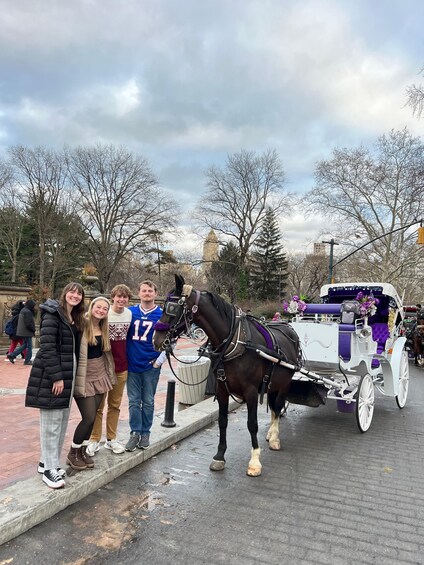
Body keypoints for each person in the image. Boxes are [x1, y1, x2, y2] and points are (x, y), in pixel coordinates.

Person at [25, 282, 85, 489]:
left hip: (67, 377)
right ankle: (50, 470)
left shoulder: (72, 317)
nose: (75, 295)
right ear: (64, 293)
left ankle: (46, 462)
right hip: (53, 378)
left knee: (60, 423)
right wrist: (57, 377)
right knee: (51, 425)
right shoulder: (52, 314)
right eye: (72, 291)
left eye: (79, 293)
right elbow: (48, 347)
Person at [67, 296, 116, 470]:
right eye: (98, 307)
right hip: (84, 375)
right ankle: (73, 452)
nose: (101, 310)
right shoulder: (81, 325)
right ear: (92, 306)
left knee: (94, 415)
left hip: (100, 374)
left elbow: (106, 352)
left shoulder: (104, 327)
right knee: (87, 417)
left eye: (105, 309)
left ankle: (82, 450)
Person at [86, 284, 132, 456]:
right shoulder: (104, 314)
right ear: (113, 297)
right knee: (98, 406)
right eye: (118, 296)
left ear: (128, 299)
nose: (121, 299)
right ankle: (94, 439)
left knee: (115, 405)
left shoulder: (129, 314)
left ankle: (111, 439)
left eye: (125, 297)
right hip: (103, 367)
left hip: (121, 367)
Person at [125, 280, 166, 452]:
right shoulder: (129, 312)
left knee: (148, 401)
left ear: (156, 293)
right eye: (144, 290)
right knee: (134, 401)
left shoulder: (162, 315)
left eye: (150, 290)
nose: (147, 293)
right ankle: (135, 432)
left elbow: (172, 340)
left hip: (150, 364)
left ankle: (145, 432)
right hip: (132, 363)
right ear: (138, 293)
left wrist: (159, 361)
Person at [7, 299, 36, 365]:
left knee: (25, 345)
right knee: (29, 346)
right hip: (27, 331)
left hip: (23, 331)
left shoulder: (23, 310)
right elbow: (28, 323)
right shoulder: (27, 312)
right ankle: (27, 360)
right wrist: (33, 329)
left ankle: (12, 355)